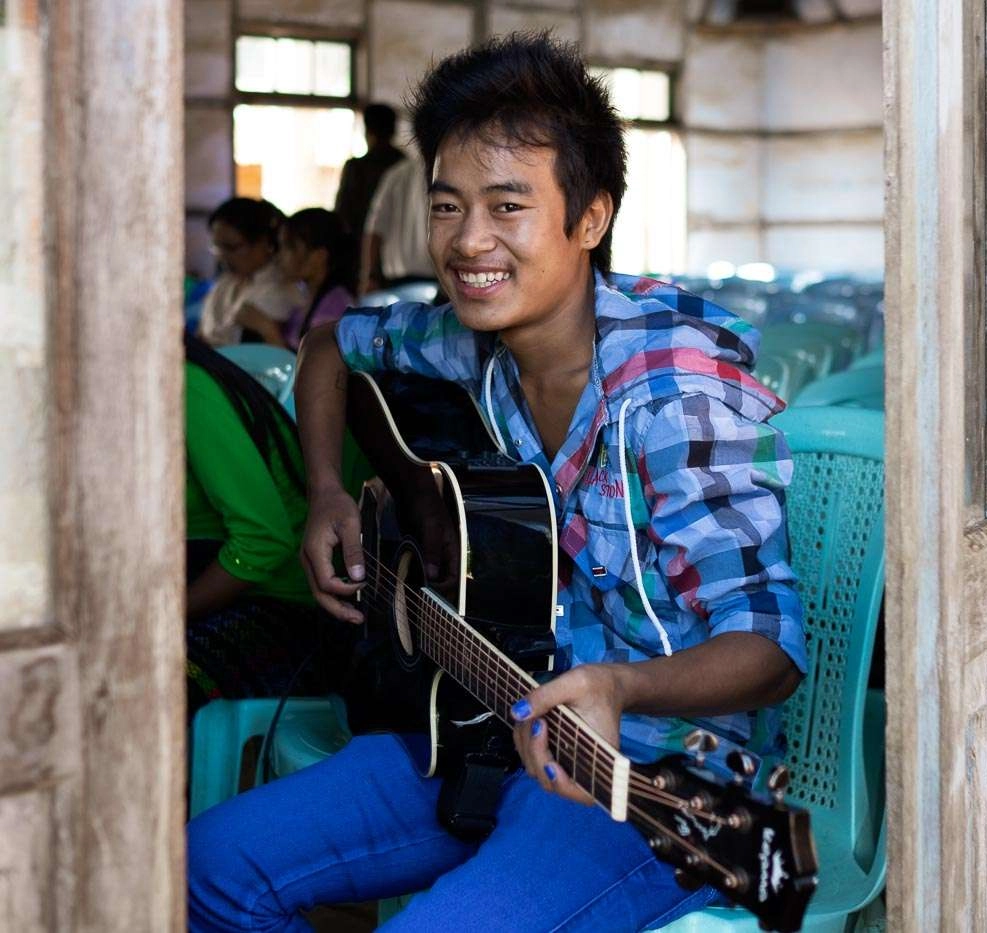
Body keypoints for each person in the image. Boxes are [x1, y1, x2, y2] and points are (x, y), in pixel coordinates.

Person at [187, 33, 807, 932]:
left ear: (589, 217)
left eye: (508, 206)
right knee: (206, 866)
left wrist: (621, 687)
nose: (469, 240)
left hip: (646, 787)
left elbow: (770, 647)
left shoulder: (673, 395)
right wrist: (326, 491)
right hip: (483, 724)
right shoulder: (468, 338)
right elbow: (328, 344)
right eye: (448, 206)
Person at [184, 333, 351, 717]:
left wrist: (173, 614)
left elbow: (262, 542)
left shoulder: (181, 387)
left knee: (141, 678)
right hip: (218, 590)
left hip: (288, 609)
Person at [241, 208, 357, 352]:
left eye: (289, 248)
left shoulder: (335, 307)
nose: (279, 257)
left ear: (319, 256)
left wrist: (267, 329)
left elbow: (314, 371)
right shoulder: (304, 294)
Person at [197, 198, 302, 347]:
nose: (222, 257)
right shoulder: (228, 281)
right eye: (217, 247)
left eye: (232, 247)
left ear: (264, 243)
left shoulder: (280, 291)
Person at [359, 148, 435, 294]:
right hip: (434, 281)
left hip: (398, 283)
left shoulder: (396, 174)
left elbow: (374, 230)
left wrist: (369, 276)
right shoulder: (449, 174)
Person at [334, 102, 405, 244]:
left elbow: (342, 213)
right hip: (400, 248)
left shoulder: (356, 167)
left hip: (360, 246)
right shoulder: (406, 166)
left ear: (368, 131)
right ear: (393, 131)